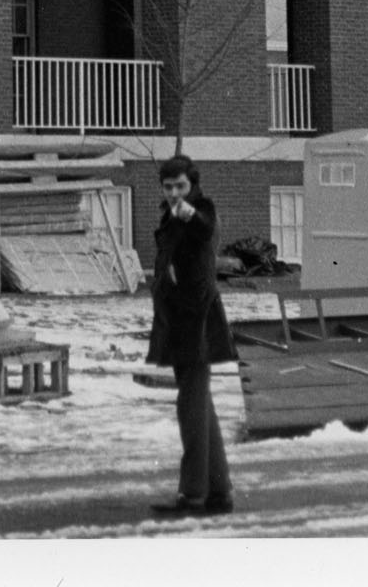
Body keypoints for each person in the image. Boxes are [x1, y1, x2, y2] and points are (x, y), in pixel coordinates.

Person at [146, 158, 236, 518]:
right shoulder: (169, 212)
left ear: (192, 185)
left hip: (196, 319)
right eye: (168, 187)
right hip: (179, 318)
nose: (173, 193)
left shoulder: (201, 209)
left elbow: (205, 227)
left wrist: (188, 212)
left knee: (191, 408)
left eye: (179, 186)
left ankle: (193, 495)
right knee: (201, 407)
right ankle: (218, 492)